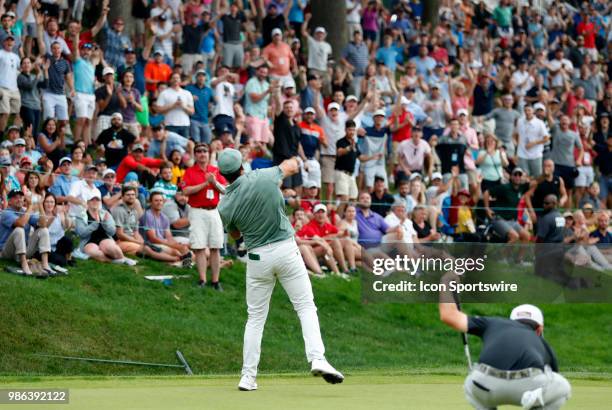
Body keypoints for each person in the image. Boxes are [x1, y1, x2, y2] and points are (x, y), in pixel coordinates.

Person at [217, 149, 344, 391]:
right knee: (305, 306)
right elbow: (291, 166)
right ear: (242, 166)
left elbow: (235, 234)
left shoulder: (224, 205)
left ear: (223, 175)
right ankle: (317, 358)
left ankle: (247, 377)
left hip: (257, 258)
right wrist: (297, 157)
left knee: (255, 319)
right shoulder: (263, 176)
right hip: (286, 251)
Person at [439, 299, 571, 410]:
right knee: (563, 386)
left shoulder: (493, 323)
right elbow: (553, 376)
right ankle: (534, 399)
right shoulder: (542, 343)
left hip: (486, 385)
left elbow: (449, 315)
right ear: (539, 329)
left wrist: (447, 280)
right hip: (526, 386)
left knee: (470, 382)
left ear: (511, 321)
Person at [182, 143, 226, 290]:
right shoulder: (189, 171)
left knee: (215, 246)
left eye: (205, 151)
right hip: (197, 211)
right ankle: (202, 280)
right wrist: (205, 184)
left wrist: (214, 183)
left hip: (214, 211)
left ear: (209, 154)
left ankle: (215, 281)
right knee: (199, 247)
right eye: (199, 151)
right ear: (195, 155)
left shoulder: (216, 170)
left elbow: (225, 190)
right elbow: (186, 191)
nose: (202, 154)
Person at [0, 189, 52, 276]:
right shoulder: (6, 212)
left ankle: (45, 264)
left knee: (44, 230)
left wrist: (40, 205)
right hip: (7, 252)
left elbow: (43, 224)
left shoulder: (25, 211)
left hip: (23, 250)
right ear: (9, 201)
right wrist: (30, 206)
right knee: (19, 229)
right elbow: (21, 223)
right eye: (16, 197)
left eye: (21, 197)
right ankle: (24, 264)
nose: (19, 199)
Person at [140, 190, 191, 265]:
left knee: (180, 250)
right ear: (151, 202)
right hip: (149, 244)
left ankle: (183, 262)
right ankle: (179, 262)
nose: (159, 202)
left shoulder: (164, 218)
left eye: (161, 200)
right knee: (174, 251)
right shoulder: (147, 215)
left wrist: (177, 244)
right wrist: (171, 245)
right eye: (156, 200)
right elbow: (153, 238)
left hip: (162, 242)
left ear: (163, 202)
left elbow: (169, 237)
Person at [154, 72, 195, 139]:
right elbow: (158, 110)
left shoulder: (187, 93)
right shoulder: (164, 93)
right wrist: (173, 106)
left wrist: (183, 106)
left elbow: (192, 111)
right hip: (170, 124)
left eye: (177, 78)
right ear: (170, 80)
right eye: (174, 78)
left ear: (180, 80)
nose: (176, 79)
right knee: (171, 147)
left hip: (185, 125)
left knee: (184, 148)